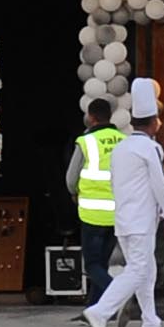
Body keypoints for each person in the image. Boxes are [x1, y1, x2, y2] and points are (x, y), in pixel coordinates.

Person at [83, 79, 164, 327]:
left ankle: (151, 323)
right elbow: (160, 185)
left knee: (146, 272)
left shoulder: (121, 148)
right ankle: (100, 312)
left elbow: (115, 183)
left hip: (123, 219)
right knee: (138, 271)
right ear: (154, 123)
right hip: (141, 221)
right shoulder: (150, 148)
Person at [66, 95, 124, 310]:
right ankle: (94, 310)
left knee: (92, 264)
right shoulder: (123, 140)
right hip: (117, 213)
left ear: (91, 117)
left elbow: (71, 178)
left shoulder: (87, 141)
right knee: (102, 264)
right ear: (110, 116)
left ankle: (118, 295)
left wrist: (73, 192)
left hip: (92, 213)